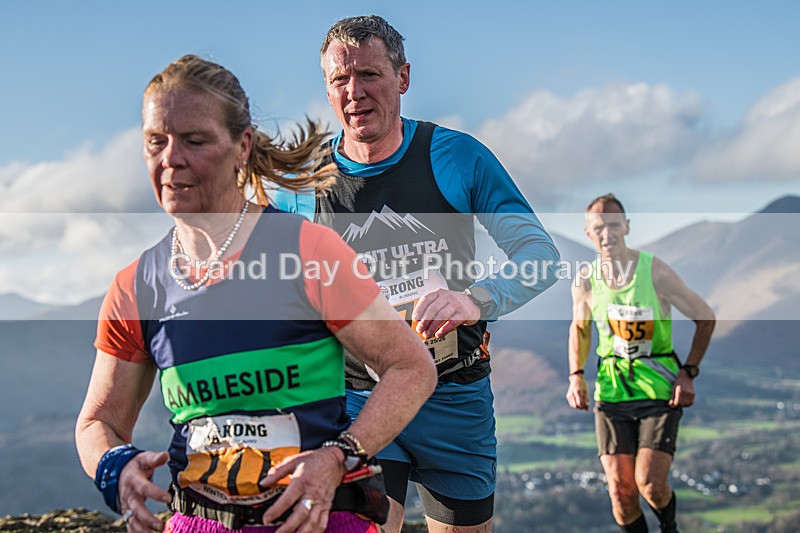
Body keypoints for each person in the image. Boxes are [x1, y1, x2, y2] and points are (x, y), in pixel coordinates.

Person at [75, 54, 437, 533]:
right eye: (155, 142)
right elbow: (98, 422)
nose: (171, 159)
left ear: (242, 146)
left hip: (320, 522)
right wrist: (115, 467)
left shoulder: (306, 251)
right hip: (198, 522)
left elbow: (410, 367)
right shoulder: (136, 285)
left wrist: (339, 457)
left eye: (194, 140)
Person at [275, 15, 560, 533]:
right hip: (360, 398)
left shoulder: (457, 157)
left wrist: (476, 298)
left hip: (454, 394)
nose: (354, 93)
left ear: (403, 77)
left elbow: (540, 255)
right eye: (340, 80)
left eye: (370, 75)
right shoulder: (303, 184)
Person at [566, 194, 716, 532]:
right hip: (612, 392)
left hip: (659, 389)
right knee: (621, 492)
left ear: (627, 226)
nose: (608, 234)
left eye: (615, 225)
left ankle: (669, 527)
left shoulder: (656, 272)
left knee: (649, 484)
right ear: (588, 233)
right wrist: (576, 375)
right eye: (599, 228)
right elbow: (580, 327)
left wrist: (688, 372)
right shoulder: (586, 280)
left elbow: (705, 318)